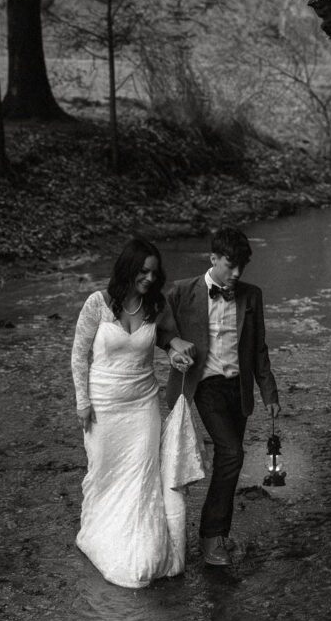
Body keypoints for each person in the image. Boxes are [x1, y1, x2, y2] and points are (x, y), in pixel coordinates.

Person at [70, 237, 195, 589]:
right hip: (104, 407)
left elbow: (168, 341)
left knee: (141, 478)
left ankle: (143, 550)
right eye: (143, 271)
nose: (149, 279)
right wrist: (83, 402)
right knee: (104, 475)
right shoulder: (97, 304)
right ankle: (102, 536)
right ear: (128, 269)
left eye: (154, 273)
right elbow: (79, 355)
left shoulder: (155, 305)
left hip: (143, 406)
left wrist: (176, 353)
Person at [166, 226, 280, 566]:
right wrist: (172, 349)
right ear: (212, 258)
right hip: (205, 385)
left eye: (241, 267)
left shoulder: (251, 295)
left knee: (228, 461)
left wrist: (269, 392)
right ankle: (211, 537)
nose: (236, 274)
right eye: (229, 265)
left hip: (239, 388)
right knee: (232, 454)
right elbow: (158, 328)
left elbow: (259, 347)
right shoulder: (182, 292)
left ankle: (219, 534)